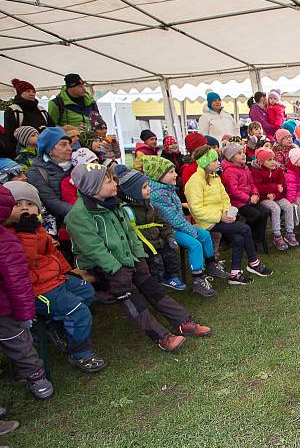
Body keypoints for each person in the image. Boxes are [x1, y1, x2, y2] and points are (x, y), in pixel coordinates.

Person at [66, 161, 212, 352]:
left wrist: (139, 256)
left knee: (152, 288)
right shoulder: (78, 215)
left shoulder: (114, 205)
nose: (114, 185)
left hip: (129, 257)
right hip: (105, 265)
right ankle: (161, 337)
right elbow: (94, 249)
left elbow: (131, 234)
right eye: (109, 182)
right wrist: (117, 268)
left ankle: (183, 321)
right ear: (92, 187)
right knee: (132, 298)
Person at [4, 181, 106, 373]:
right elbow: (24, 261)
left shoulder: (36, 228)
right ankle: (80, 353)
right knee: (79, 311)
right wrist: (26, 233)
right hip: (36, 289)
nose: (25, 208)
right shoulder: (10, 234)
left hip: (55, 279)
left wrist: (67, 271)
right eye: (18, 204)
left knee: (86, 291)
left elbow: (53, 252)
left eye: (30, 204)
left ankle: (57, 326)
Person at [185, 145, 272, 284]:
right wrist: (220, 217)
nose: (218, 162)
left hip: (219, 217)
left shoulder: (214, 178)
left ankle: (235, 274)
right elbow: (196, 209)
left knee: (238, 238)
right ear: (205, 163)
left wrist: (226, 211)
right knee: (245, 229)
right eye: (214, 160)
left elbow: (225, 198)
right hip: (206, 222)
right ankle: (254, 263)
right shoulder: (194, 182)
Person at [146, 155, 227, 298]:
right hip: (168, 230)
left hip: (178, 226)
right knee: (195, 243)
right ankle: (197, 279)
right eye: (171, 172)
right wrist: (191, 231)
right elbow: (174, 220)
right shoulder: (157, 194)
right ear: (159, 175)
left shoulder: (167, 188)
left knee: (205, 235)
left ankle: (210, 264)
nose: (175, 174)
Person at [0, 185, 54, 400]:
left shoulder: (7, 241)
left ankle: (36, 376)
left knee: (19, 344)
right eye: (17, 204)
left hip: (5, 308)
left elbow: (18, 282)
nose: (23, 209)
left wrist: (24, 315)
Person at [116, 165, 187, 292]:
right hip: (144, 244)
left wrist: (168, 236)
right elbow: (130, 233)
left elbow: (162, 222)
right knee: (155, 262)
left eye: (148, 185)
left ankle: (171, 277)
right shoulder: (127, 210)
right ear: (133, 191)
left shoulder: (150, 205)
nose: (149, 189)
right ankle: (155, 285)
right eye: (144, 187)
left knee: (170, 254)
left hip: (157, 238)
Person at [219, 142, 270, 253]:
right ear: (231, 157)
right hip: (238, 202)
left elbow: (252, 183)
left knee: (265, 212)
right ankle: (248, 237)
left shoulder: (245, 167)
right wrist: (248, 199)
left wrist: (255, 194)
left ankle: (255, 239)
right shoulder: (230, 171)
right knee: (256, 215)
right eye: (239, 153)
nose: (243, 155)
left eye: (243, 152)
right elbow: (233, 191)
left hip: (250, 199)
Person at [252, 148, 298, 250]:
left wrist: (275, 194)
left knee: (288, 206)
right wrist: (274, 188)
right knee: (275, 208)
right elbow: (258, 187)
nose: (273, 162)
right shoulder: (256, 171)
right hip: (263, 198)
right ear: (261, 162)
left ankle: (289, 232)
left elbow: (283, 187)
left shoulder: (278, 170)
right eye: (269, 160)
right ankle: (277, 235)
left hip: (277, 196)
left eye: (273, 159)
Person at [27, 127, 73, 225]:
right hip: (63, 222)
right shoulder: (36, 172)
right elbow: (51, 202)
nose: (69, 148)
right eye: (63, 145)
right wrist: (83, 213)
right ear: (50, 150)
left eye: (69, 144)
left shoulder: (77, 164)